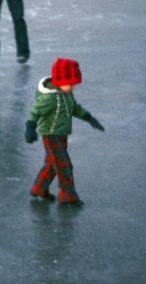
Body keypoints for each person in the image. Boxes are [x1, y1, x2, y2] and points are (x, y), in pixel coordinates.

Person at [24, 57, 104, 206]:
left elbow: (74, 107)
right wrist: (30, 127)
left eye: (74, 84)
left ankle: (39, 189)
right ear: (60, 81)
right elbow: (35, 112)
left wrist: (89, 118)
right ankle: (68, 196)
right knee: (64, 165)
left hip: (61, 133)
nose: (73, 87)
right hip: (50, 134)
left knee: (52, 164)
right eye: (70, 83)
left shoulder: (66, 93)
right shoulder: (50, 98)